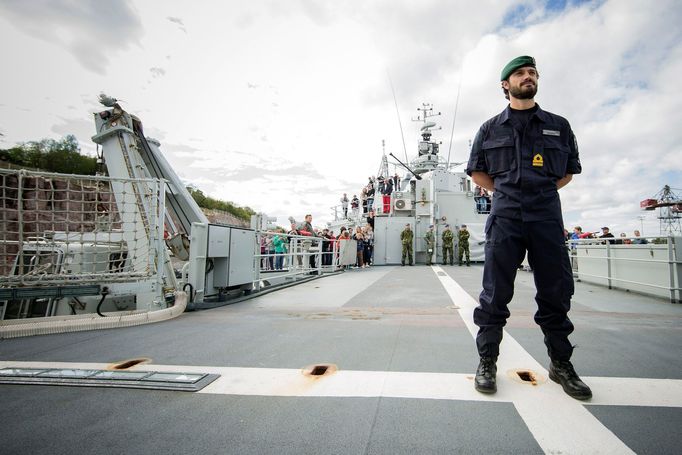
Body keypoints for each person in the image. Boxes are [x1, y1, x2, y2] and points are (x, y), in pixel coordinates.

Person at [466, 55, 591, 400]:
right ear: (506, 85)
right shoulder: (490, 128)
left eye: (532, 72)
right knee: (494, 293)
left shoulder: (559, 125)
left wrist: (539, 191)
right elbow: (477, 171)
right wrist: (509, 192)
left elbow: (568, 170)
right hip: (505, 217)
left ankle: (561, 364)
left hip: (546, 217)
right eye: (520, 73)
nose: (528, 76)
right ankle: (487, 361)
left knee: (555, 292)